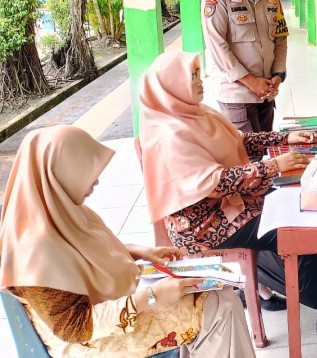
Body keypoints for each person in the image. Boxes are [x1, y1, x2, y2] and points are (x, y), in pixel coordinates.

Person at [138, 51, 317, 339]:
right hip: (204, 225)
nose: (200, 83)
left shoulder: (195, 113)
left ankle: (261, 289)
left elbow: (239, 141)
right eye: (192, 77)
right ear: (171, 85)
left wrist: (284, 138)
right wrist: (273, 166)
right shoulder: (169, 134)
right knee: (294, 228)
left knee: (287, 201)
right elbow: (212, 183)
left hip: (225, 204)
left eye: (199, 74)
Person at [0, 125, 254, 357]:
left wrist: (139, 251)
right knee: (217, 306)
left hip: (103, 311)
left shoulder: (54, 210)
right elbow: (76, 328)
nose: (95, 182)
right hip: (89, 341)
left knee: (218, 294)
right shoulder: (33, 250)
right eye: (85, 173)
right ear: (57, 175)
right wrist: (153, 296)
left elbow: (83, 255)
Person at [202, 0, 288, 135]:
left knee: (265, 148)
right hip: (237, 96)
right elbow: (217, 47)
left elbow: (280, 38)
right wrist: (250, 81)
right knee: (247, 158)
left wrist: (278, 75)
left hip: (266, 91)